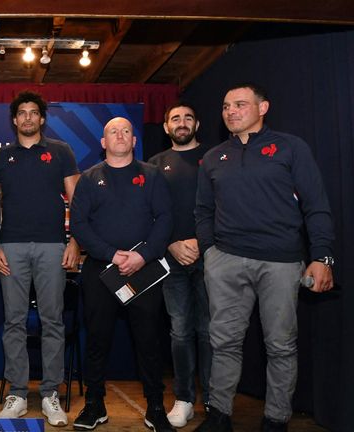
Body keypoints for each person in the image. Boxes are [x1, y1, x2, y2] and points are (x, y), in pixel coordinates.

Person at [193, 83, 335, 432]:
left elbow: (316, 205)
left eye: (240, 104)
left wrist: (322, 257)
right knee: (223, 343)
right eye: (226, 106)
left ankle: (275, 420)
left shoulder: (290, 147)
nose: (231, 111)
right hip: (225, 261)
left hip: (281, 263)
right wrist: (211, 252)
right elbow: (202, 210)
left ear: (263, 107)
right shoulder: (213, 157)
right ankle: (219, 416)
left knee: (281, 346)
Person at [69, 117, 174, 432]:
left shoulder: (152, 176)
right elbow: (79, 225)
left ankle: (155, 407)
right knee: (97, 339)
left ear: (133, 141)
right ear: (103, 142)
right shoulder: (88, 179)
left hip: (144, 271)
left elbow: (166, 218)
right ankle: (94, 405)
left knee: (148, 340)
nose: (119, 135)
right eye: (112, 131)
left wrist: (142, 256)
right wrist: (111, 255)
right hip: (101, 271)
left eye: (125, 131)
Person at [0, 90, 80, 427]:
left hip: (52, 246)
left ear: (42, 119)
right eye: (21, 113)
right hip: (10, 247)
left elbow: (78, 199)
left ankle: (50, 394)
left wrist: (76, 242)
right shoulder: (1, 157)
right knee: (13, 321)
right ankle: (16, 393)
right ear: (14, 120)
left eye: (33, 113)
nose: (27, 118)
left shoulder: (61, 151)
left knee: (52, 321)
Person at [148, 102, 212, 427]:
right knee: (181, 331)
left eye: (188, 117)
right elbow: (151, 213)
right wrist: (172, 243)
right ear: (166, 127)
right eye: (175, 118)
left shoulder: (215, 158)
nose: (182, 122)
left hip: (210, 256)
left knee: (210, 331)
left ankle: (215, 401)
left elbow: (225, 206)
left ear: (197, 123)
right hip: (170, 259)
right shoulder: (154, 165)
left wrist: (203, 243)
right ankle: (185, 398)